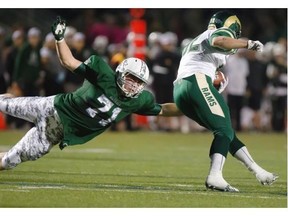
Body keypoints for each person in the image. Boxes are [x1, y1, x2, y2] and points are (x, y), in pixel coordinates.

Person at [0, 16, 182, 171]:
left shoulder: (139, 100)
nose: (133, 85)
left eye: (138, 82)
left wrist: (192, 105)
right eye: (131, 78)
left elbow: (164, 109)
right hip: (51, 107)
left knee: (7, 162)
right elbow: (69, 62)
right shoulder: (103, 73)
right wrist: (59, 38)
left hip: (54, 134)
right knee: (4, 104)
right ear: (121, 72)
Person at [173, 10, 278, 192]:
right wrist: (249, 43)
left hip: (181, 89)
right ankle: (215, 176)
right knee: (223, 129)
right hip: (196, 82)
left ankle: (257, 170)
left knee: (225, 131)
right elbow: (219, 41)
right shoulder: (219, 33)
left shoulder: (197, 40)